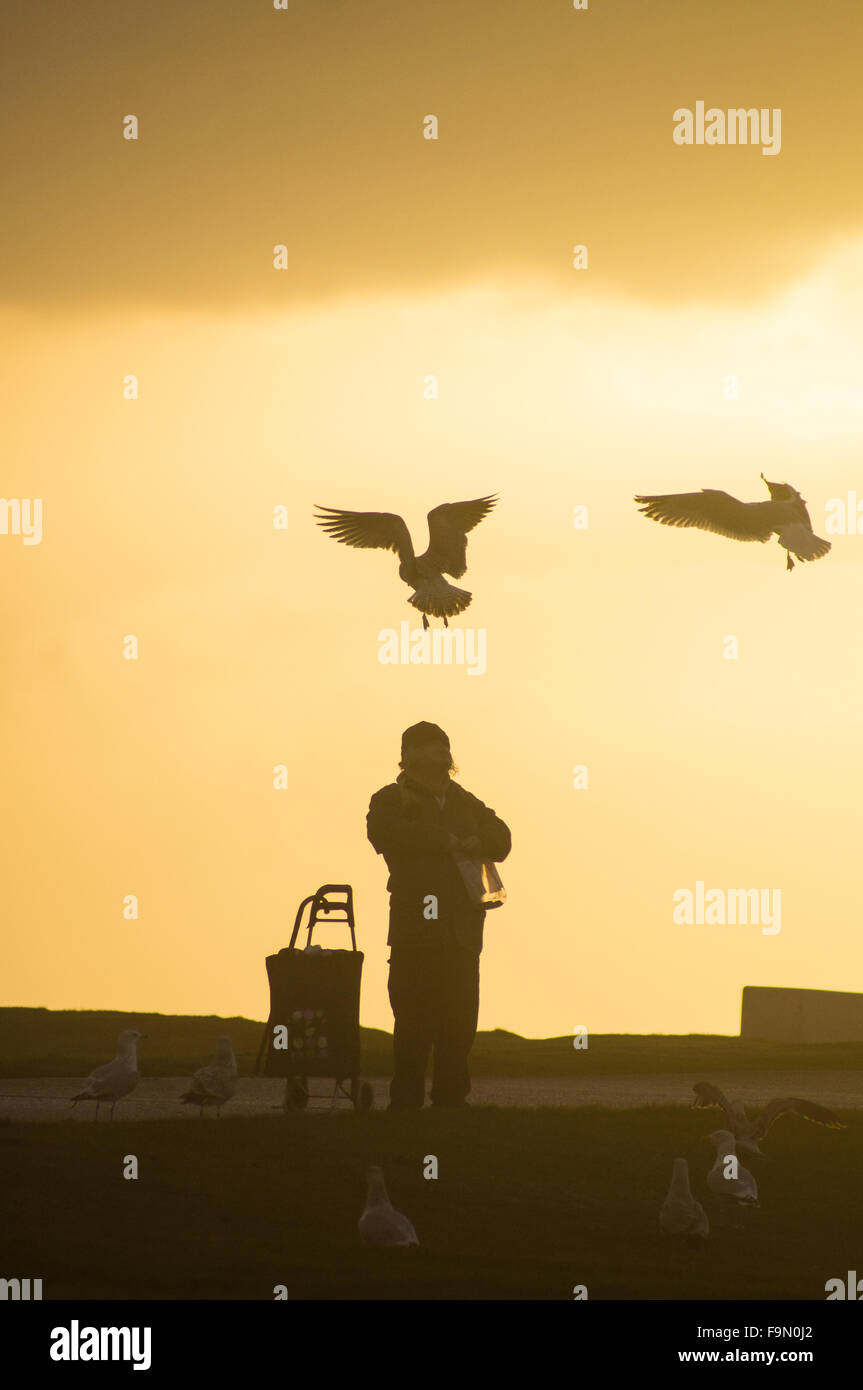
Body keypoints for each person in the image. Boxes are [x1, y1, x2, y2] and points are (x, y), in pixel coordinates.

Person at [366, 721, 511, 1109]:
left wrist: (480, 840)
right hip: (416, 931)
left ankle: (451, 1101)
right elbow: (382, 832)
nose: (444, 753)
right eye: (432, 746)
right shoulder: (390, 799)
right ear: (410, 754)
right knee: (413, 1022)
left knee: (460, 1024)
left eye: (445, 746)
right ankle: (406, 1104)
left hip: (463, 933)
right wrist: (443, 840)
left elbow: (502, 836)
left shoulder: (466, 801)